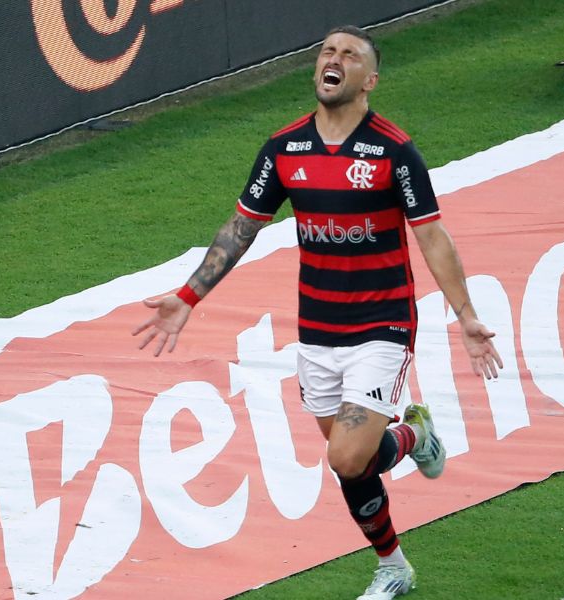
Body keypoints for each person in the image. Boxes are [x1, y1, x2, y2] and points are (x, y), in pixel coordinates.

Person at [133, 25, 502, 600]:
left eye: (349, 55)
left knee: (347, 455)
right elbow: (242, 227)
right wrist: (188, 297)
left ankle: (404, 467)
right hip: (318, 329)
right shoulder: (284, 149)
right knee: (350, 463)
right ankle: (397, 552)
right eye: (327, 52)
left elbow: (432, 237)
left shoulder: (393, 151)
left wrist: (466, 315)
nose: (334, 59)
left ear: (369, 81)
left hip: (382, 324)